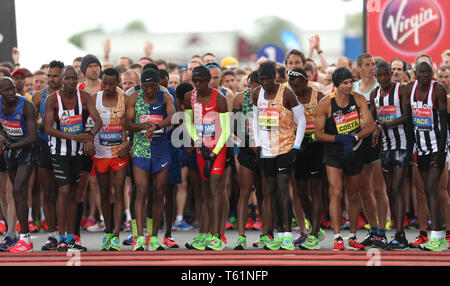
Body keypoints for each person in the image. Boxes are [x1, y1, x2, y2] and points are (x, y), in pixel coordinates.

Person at [315, 67, 376, 251]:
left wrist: (355, 138)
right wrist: (338, 139)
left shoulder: (358, 99)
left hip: (354, 150)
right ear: (336, 85)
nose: (350, 86)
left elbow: (371, 126)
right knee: (336, 192)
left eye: (351, 82)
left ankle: (352, 236)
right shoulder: (326, 103)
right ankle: (337, 236)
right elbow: (318, 134)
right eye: (345, 83)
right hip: (334, 152)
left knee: (353, 194)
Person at [44, 66, 102, 251]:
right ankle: (61, 237)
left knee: (74, 194)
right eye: (67, 78)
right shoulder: (53, 99)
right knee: (64, 191)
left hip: (77, 153)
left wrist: (89, 136)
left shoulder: (84, 97)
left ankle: (71, 238)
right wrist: (75, 137)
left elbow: (98, 121)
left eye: (73, 78)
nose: (70, 82)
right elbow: (48, 129)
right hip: (59, 152)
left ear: (77, 79)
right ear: (62, 79)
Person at [251, 62, 306, 251]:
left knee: (284, 189)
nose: (265, 82)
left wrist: (296, 147)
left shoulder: (287, 93)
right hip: (266, 150)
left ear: (275, 76)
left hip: (284, 147)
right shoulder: (256, 93)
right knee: (272, 191)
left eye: (268, 78)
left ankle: (289, 235)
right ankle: (280, 233)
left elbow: (302, 120)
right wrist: (258, 146)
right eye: (262, 79)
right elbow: (256, 120)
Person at [125, 68, 175, 251]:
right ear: (141, 86)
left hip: (161, 149)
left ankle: (153, 237)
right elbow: (127, 123)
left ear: (158, 85)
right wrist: (141, 126)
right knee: (141, 191)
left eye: (153, 86)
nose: (149, 89)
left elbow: (174, 117)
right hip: (140, 149)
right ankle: (138, 237)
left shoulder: (165, 97)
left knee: (159, 192)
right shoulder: (133, 98)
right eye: (145, 86)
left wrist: (157, 126)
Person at [184, 66, 230, 251]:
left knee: (215, 187)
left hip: (217, 148)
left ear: (208, 80)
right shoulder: (190, 97)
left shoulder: (219, 98)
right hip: (200, 148)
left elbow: (226, 129)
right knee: (203, 191)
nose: (197, 84)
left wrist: (213, 152)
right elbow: (189, 122)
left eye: (201, 81)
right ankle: (204, 234)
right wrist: (197, 142)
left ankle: (217, 235)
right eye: (194, 81)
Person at [405, 61, 448, 251]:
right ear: (415, 73)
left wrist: (441, 151)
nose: (425, 75)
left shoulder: (438, 90)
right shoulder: (409, 89)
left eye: (428, 72)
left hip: (436, 147)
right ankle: (437, 237)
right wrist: (409, 149)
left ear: (432, 73)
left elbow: (445, 124)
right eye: (421, 72)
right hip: (419, 148)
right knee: (425, 190)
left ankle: (438, 236)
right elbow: (408, 121)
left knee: (432, 189)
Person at [370, 61, 410, 249]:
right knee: (391, 192)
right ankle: (396, 232)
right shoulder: (374, 94)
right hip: (385, 147)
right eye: (380, 75)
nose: (384, 78)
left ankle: (401, 234)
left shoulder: (400, 90)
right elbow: (372, 118)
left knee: (397, 188)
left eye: (387, 74)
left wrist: (384, 125)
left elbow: (406, 116)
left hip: (401, 145)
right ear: (375, 76)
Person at [231, 71, 271, 250]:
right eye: (249, 86)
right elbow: (235, 127)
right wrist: (251, 142)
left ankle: (265, 234)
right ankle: (240, 236)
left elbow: (274, 125)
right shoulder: (241, 98)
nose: (252, 90)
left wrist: (262, 143)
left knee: (265, 193)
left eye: (255, 87)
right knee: (245, 191)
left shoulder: (270, 97)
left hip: (267, 148)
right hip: (248, 149)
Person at [92, 68, 131, 251]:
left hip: (119, 153)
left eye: (111, 83)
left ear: (117, 83)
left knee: (119, 190)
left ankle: (116, 234)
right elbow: (88, 124)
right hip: (100, 153)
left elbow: (132, 123)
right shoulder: (95, 98)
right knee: (104, 192)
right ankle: (107, 231)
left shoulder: (125, 98)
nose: (108, 87)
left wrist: (128, 145)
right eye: (105, 83)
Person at [287, 68, 326, 250]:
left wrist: (318, 136)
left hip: (316, 147)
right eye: (292, 86)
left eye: (298, 86)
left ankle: (314, 232)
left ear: (306, 82)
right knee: (301, 191)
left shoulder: (318, 96)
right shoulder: (290, 95)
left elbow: (329, 121)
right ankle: (315, 229)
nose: (295, 90)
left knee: (315, 189)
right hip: (298, 146)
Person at [353, 53, 389, 249]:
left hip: (378, 140)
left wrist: (377, 127)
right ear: (359, 68)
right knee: (363, 189)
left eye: (373, 64)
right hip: (360, 141)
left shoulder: (380, 87)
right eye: (367, 64)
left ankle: (382, 231)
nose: (371, 68)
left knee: (378, 188)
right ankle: (373, 229)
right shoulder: (355, 88)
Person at [0, 77, 37, 252]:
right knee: (17, 193)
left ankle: (26, 238)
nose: (11, 93)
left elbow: (32, 137)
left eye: (13, 88)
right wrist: (2, 139)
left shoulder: (26, 105)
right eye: (6, 90)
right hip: (11, 149)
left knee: (17, 189)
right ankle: (17, 237)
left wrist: (10, 145)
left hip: (27, 149)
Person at [31, 60, 64, 250]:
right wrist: (41, 126)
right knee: (47, 192)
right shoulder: (38, 97)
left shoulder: (69, 96)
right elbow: (30, 123)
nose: (51, 79)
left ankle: (66, 234)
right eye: (49, 76)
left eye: (55, 76)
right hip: (45, 146)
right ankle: (52, 235)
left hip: (66, 147)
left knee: (65, 192)